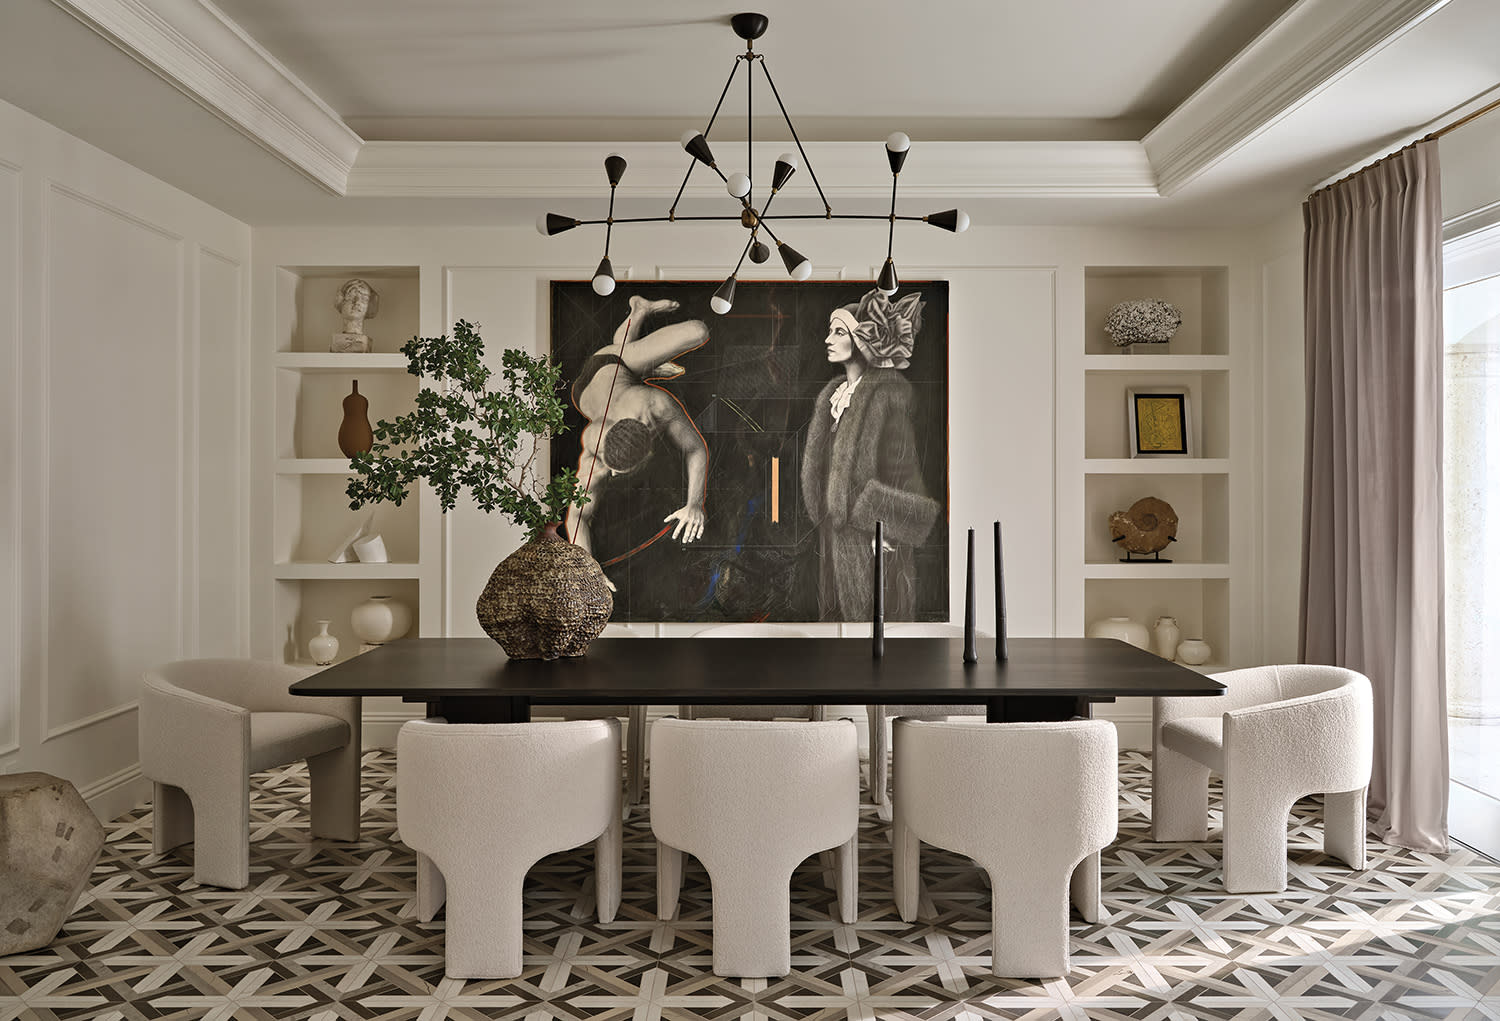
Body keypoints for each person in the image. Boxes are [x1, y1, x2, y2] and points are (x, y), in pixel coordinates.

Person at [801, 289, 939, 620]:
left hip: (872, 533)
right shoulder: (834, 397)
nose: (827, 339)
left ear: (863, 341)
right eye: (830, 330)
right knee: (836, 617)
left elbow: (901, 467)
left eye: (838, 331)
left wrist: (886, 530)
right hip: (836, 529)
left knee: (873, 618)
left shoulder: (886, 397)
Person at [568, 296, 710, 582]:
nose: (615, 474)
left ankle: (642, 329)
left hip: (615, 362)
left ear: (648, 450)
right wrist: (589, 573)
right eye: (615, 470)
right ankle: (641, 319)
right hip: (592, 384)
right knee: (631, 360)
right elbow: (576, 517)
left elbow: (695, 448)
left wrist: (695, 503)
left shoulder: (656, 405)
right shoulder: (594, 454)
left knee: (700, 331)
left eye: (621, 471)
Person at [331, 278, 378, 353]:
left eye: (364, 299)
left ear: (369, 306)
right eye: (351, 296)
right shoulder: (336, 339)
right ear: (341, 301)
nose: (357, 302)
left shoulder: (365, 342)